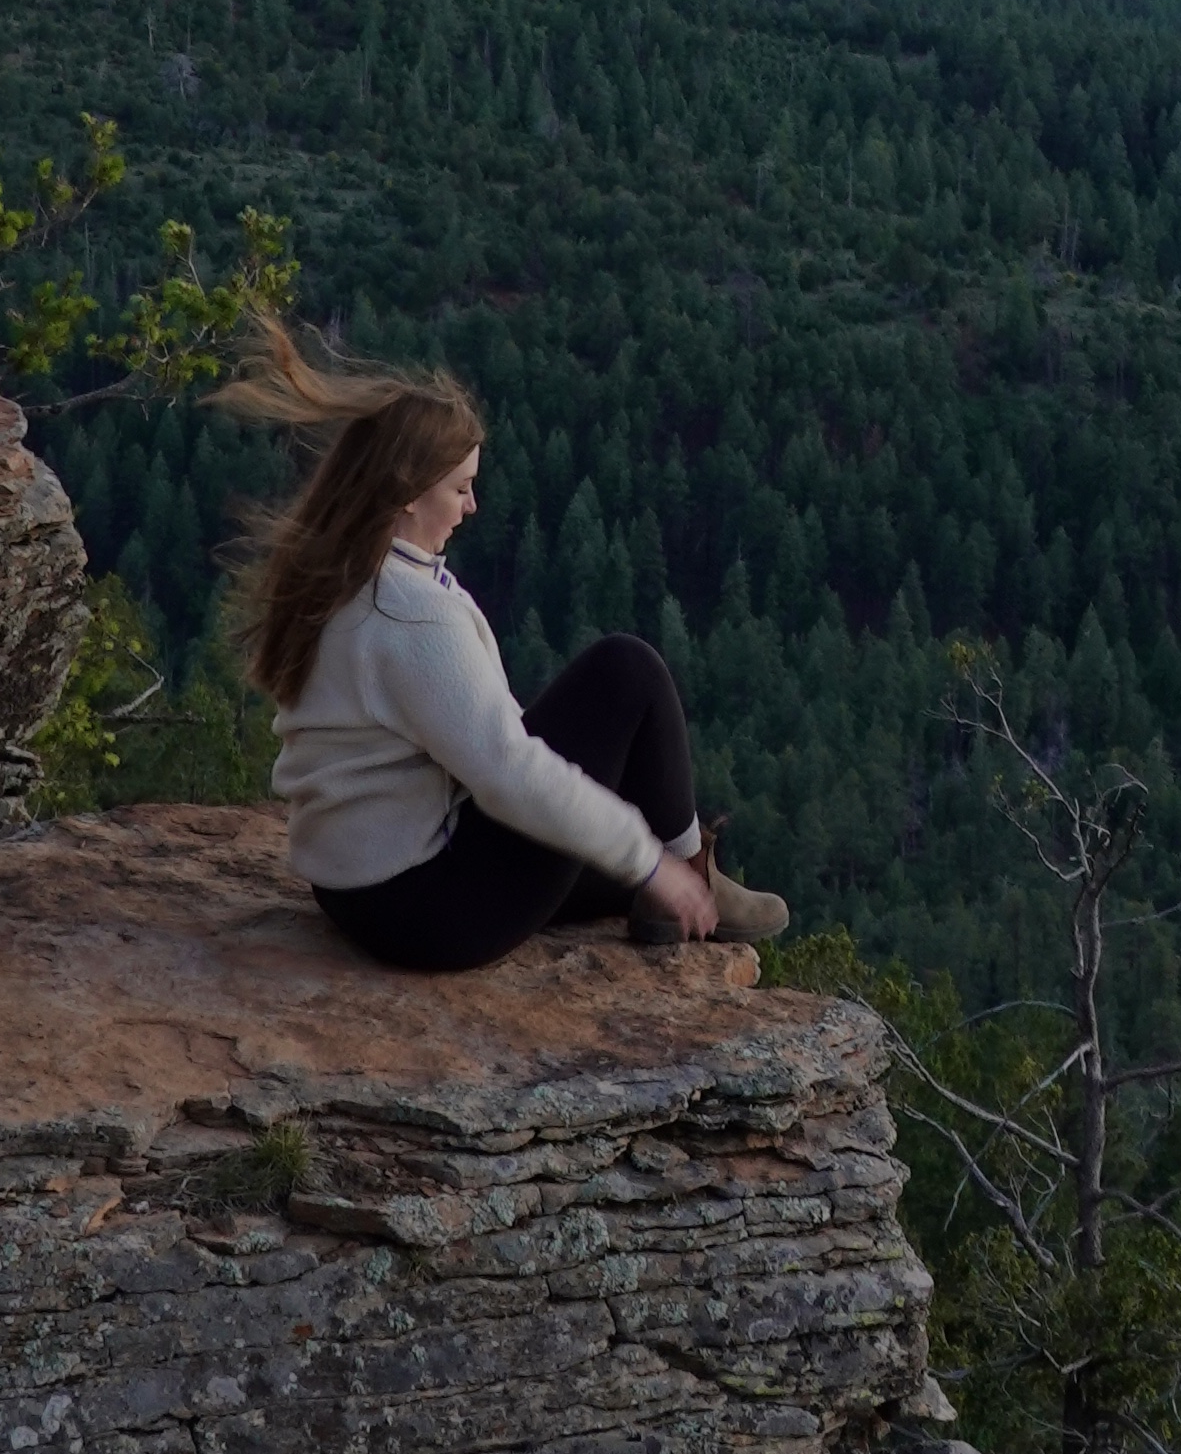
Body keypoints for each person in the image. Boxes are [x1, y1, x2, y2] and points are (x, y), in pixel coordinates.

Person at [226, 314, 790, 971]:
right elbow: (511, 774)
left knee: (613, 849)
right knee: (625, 673)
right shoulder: (408, 616)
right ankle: (693, 875)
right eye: (460, 488)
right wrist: (649, 863)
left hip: (355, 890)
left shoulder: (344, 575)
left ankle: (678, 877)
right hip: (430, 911)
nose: (471, 507)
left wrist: (634, 858)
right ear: (408, 493)